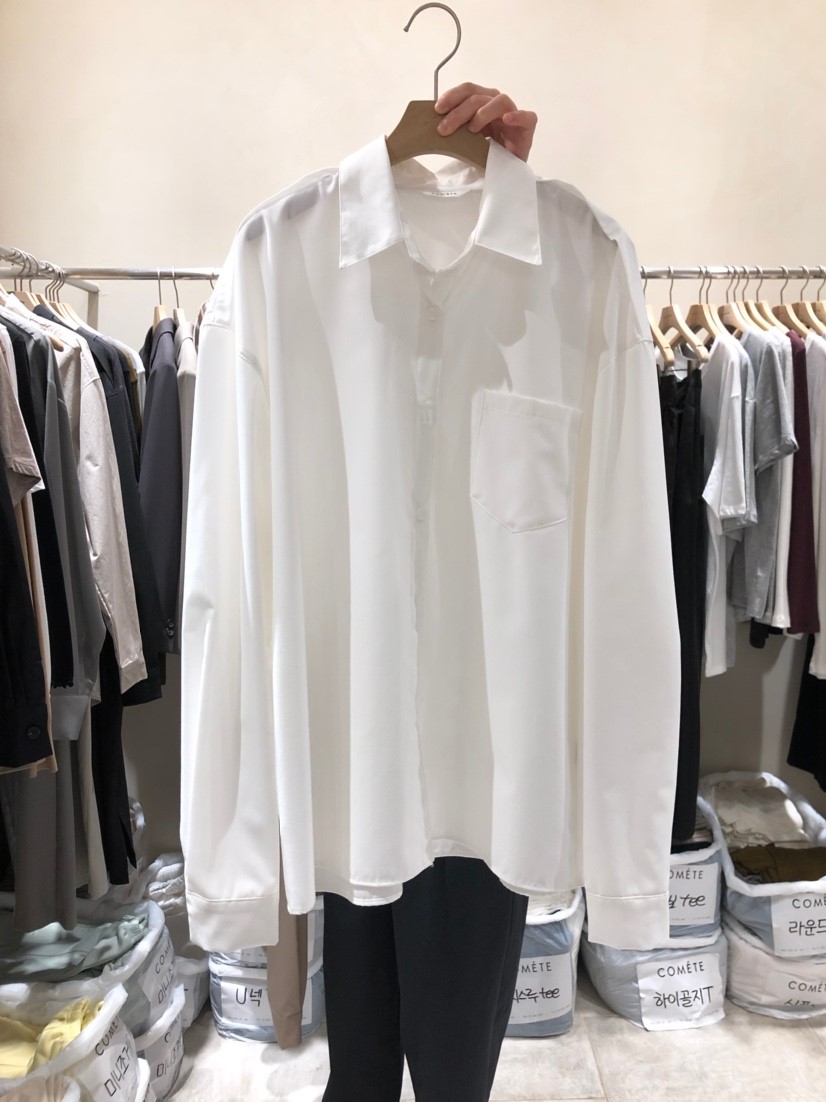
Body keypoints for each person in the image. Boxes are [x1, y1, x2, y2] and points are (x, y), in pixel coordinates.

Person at [322, 84, 539, 1102]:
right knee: (360, 1063)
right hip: (358, 741)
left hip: (478, 756)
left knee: (453, 1072)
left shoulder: (552, 278)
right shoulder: (304, 267)